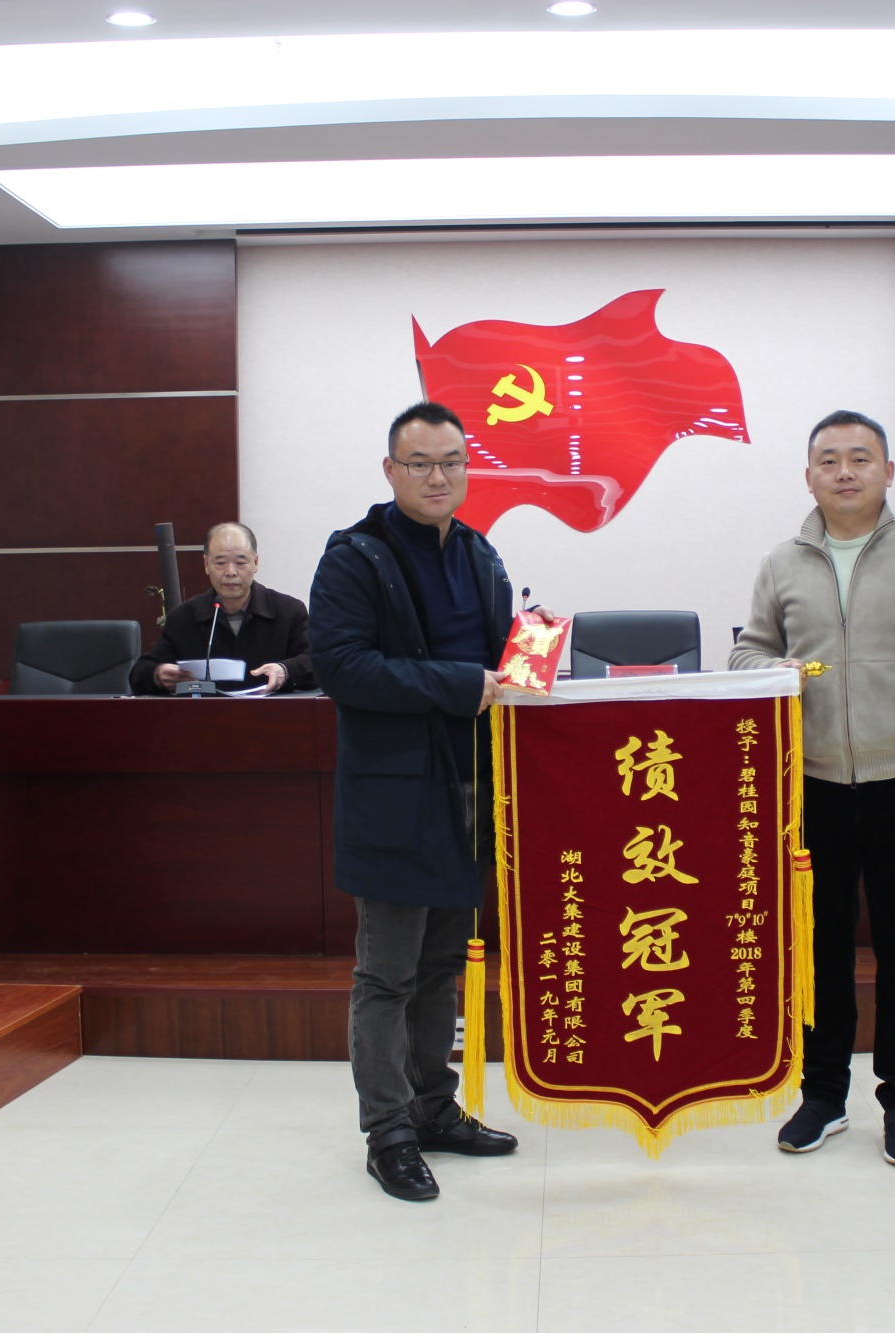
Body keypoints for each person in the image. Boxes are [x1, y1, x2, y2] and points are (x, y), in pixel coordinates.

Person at [730, 409, 895, 1167]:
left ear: (887, 471)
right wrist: (773, 669)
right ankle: (823, 1095)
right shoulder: (782, 562)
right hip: (812, 787)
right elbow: (747, 653)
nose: (844, 471)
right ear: (808, 475)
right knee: (819, 950)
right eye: (829, 459)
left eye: (860, 457)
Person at [308, 401, 542, 1202]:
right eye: (420, 463)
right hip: (394, 795)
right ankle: (389, 1130)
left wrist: (530, 658)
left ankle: (434, 1107)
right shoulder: (355, 558)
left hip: (470, 789)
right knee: (388, 972)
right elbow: (342, 666)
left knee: (443, 963)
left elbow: (496, 658)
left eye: (451, 462)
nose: (438, 476)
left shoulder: (479, 552)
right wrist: (460, 684)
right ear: (391, 470)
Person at [130, 521, 315, 695]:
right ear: (206, 565)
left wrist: (285, 671)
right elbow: (139, 673)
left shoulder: (289, 612)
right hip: (205, 715)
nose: (230, 572)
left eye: (240, 563)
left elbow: (316, 662)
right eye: (220, 563)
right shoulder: (183, 618)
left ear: (256, 563)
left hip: (272, 714)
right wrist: (158, 674)